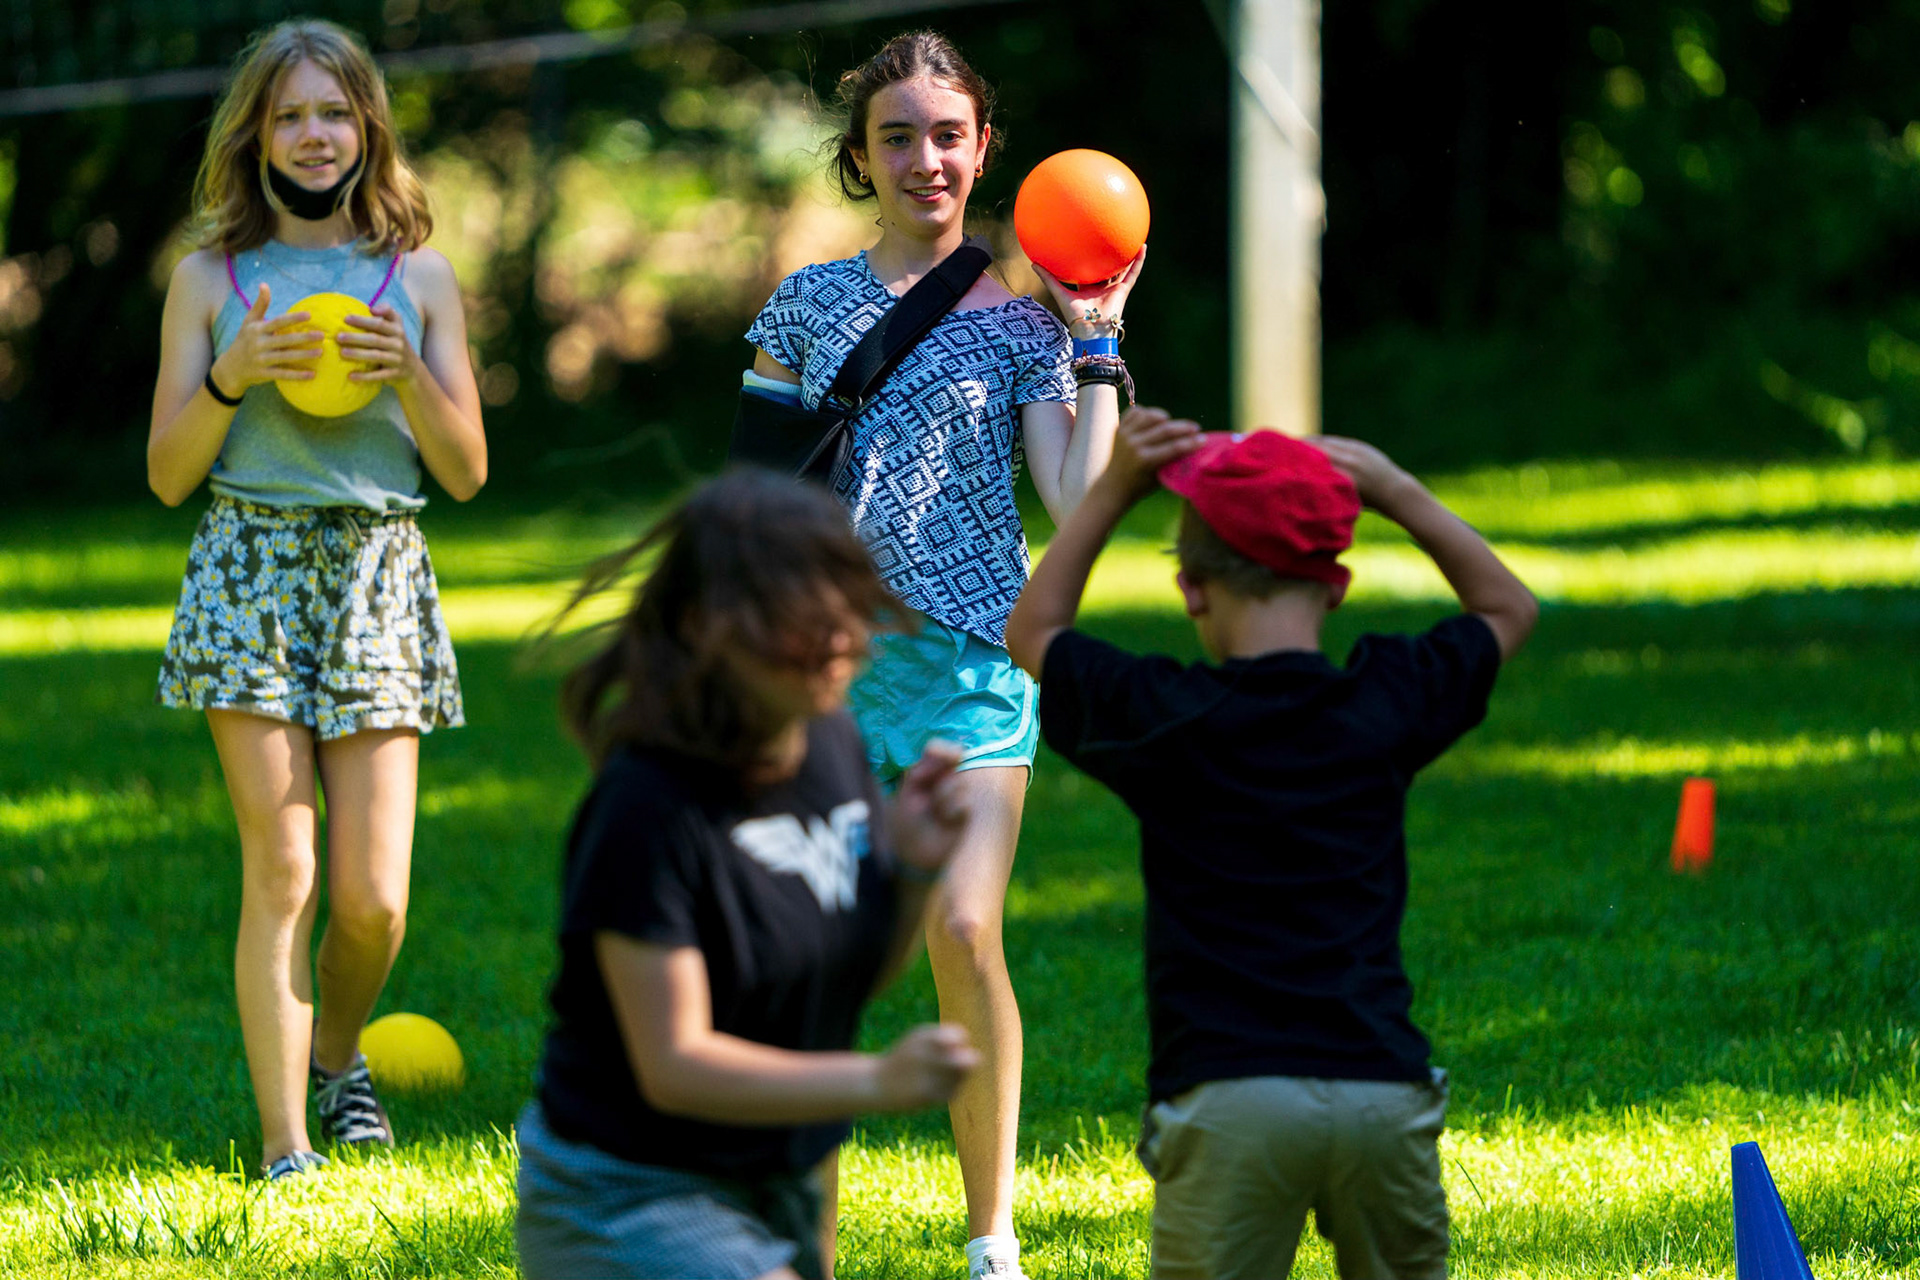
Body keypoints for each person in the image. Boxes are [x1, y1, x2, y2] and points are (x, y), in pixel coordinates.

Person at [743, 31, 1143, 1278]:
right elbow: (752, 496)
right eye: (898, 136)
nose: (926, 158)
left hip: (978, 664)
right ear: (860, 158)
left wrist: (1096, 342)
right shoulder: (807, 305)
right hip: (833, 667)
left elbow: (1077, 502)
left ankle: (992, 1237)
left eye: (948, 134)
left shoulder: (1031, 329)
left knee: (964, 933)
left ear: (984, 152)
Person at [1004, 409, 1539, 1279]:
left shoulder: (1167, 717)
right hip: (1378, 1086)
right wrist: (1394, 489)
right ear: (1334, 586)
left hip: (1227, 1096)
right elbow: (1507, 606)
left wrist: (1111, 492)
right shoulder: (1384, 701)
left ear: (1190, 589)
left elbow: (1034, 633)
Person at [146, 19, 486, 1180]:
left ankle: (338, 1053)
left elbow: (468, 469)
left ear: (367, 128)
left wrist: (409, 375)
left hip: (380, 576)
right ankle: (289, 1141)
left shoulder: (420, 277)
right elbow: (167, 473)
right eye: (289, 114)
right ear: (256, 135)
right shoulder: (209, 279)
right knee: (282, 870)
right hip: (251, 570)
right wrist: (231, 372)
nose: (312, 134)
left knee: (373, 900)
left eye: (333, 112)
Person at [515, 470, 979, 1280]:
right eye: (797, 612)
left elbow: (847, 977)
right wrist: (878, 1079)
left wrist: (908, 870)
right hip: (625, 1191)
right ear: (706, 627)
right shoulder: (647, 807)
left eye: (843, 599)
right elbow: (675, 1062)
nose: (838, 636)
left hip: (783, 1174)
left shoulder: (830, 744)